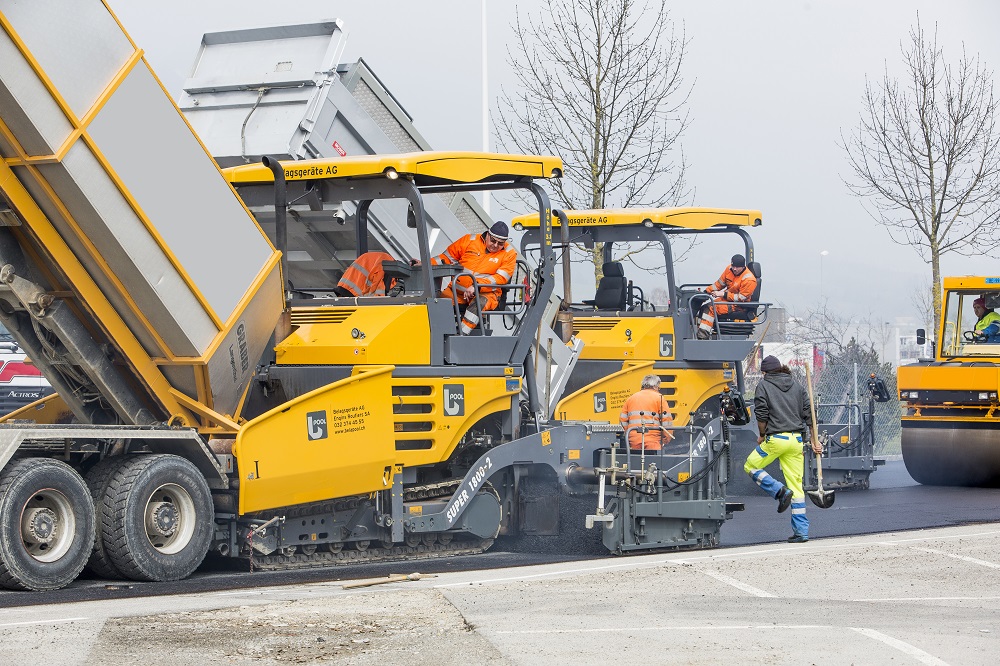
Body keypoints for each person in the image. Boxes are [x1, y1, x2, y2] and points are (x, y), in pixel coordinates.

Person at [745, 355, 822, 543]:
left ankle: (779, 491)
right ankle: (801, 532)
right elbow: (810, 415)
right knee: (797, 488)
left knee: (751, 466)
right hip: (796, 441)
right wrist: (814, 441)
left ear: (764, 372)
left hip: (776, 440)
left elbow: (761, 414)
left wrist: (762, 435)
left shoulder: (764, 385)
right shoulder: (797, 386)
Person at [430, 221, 516, 334]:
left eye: (500, 244)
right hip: (457, 292)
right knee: (436, 305)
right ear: (487, 235)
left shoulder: (509, 253)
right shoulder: (469, 240)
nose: (495, 245)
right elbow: (446, 258)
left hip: (488, 293)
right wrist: (425, 264)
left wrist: (476, 286)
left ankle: (462, 335)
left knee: (479, 303)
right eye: (493, 241)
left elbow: (500, 279)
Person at [696, 253, 757, 339]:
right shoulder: (729, 269)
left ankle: (702, 338)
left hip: (738, 305)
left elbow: (741, 298)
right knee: (704, 307)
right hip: (727, 300)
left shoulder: (749, 279)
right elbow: (719, 284)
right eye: (733, 266)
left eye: (737, 267)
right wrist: (706, 292)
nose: (734, 269)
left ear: (743, 267)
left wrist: (723, 294)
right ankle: (698, 333)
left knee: (710, 308)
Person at [619, 374, 674, 451]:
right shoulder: (659, 398)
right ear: (655, 386)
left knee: (636, 457)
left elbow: (623, 420)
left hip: (634, 440)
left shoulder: (631, 398)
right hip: (653, 440)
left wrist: (628, 434)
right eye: (659, 387)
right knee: (653, 458)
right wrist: (667, 438)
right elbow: (666, 420)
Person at [333, 251, 401, 297]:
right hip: (354, 292)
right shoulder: (386, 264)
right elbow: (377, 286)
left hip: (343, 286)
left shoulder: (383, 257)